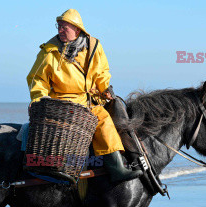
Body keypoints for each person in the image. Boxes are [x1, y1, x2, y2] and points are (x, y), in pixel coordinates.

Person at [26, 9, 142, 183]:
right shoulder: (48, 52)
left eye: (64, 28)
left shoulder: (94, 47)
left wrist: (105, 89)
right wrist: (39, 98)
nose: (59, 31)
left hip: (88, 101)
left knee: (104, 120)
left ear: (77, 29)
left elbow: (102, 72)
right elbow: (37, 79)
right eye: (58, 27)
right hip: (62, 103)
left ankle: (117, 168)